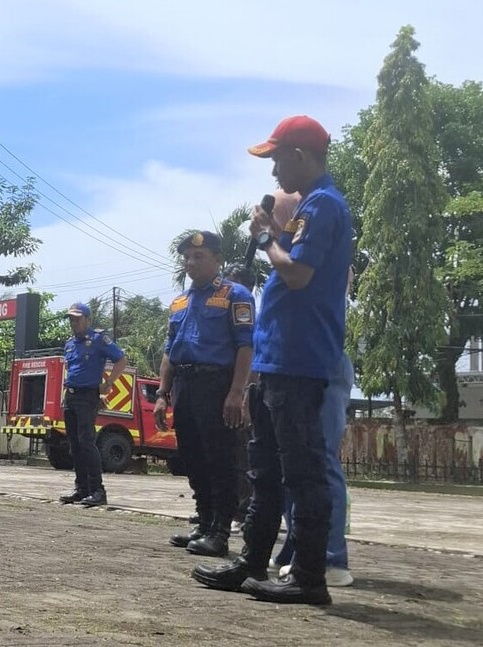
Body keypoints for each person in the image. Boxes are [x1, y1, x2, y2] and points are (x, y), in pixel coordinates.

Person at [192, 115, 353, 605]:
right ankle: (252, 561)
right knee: (264, 470)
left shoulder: (323, 205)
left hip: (301, 361)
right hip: (277, 360)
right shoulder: (309, 206)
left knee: (302, 471)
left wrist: (266, 239)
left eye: (277, 159)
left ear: (300, 156)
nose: (274, 171)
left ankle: (309, 576)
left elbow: (298, 274)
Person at [154, 235, 254, 558]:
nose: (191, 262)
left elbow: (245, 346)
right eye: (187, 257)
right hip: (185, 384)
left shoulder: (234, 295)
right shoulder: (179, 303)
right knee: (193, 457)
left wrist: (236, 392)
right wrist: (162, 393)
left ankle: (220, 531)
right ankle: (204, 521)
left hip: (217, 384)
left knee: (220, 458)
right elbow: (169, 351)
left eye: (198, 256)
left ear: (217, 259)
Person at [274, 268, 357, 588]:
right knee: (291, 464)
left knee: (320, 461)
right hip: (294, 362)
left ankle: (331, 558)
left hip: (321, 361)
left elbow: (338, 274)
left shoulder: (319, 251)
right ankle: (298, 548)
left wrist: (271, 244)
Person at [57, 303, 128, 507]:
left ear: (88, 320)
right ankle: (82, 488)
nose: (74, 322)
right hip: (71, 396)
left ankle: (98, 490)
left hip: (88, 396)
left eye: (78, 319)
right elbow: (72, 370)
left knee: (86, 442)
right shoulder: (69, 344)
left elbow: (121, 359)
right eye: (71, 319)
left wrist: (109, 383)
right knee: (74, 445)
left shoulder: (98, 339)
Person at [221, 262, 257, 534]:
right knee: (224, 453)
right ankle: (222, 510)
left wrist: (246, 394)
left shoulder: (250, 314)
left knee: (241, 454)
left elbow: (252, 358)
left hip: (245, 392)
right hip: (226, 388)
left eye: (231, 281)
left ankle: (243, 513)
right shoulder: (225, 315)